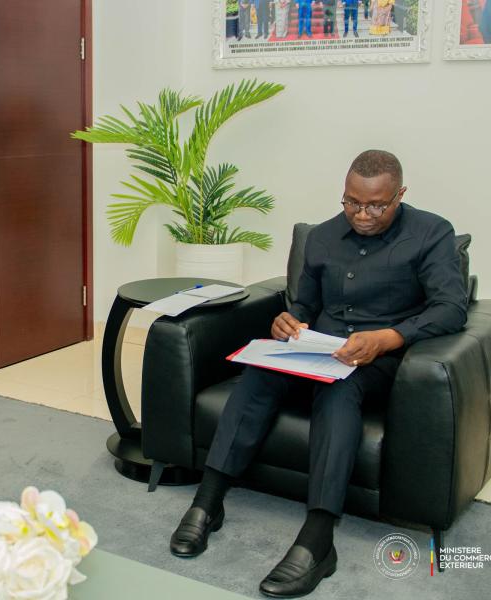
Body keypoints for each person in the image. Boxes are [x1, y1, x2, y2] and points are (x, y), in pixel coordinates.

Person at [169, 150, 467, 598]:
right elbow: (304, 304)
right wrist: (289, 322)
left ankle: (318, 538)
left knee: (338, 394)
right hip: (319, 349)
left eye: (376, 206)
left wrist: (387, 338)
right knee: (259, 374)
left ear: (400, 195)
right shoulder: (324, 237)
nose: (362, 215)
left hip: (380, 359)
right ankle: (208, 503)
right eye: (352, 202)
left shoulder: (431, 233)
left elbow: (451, 308)